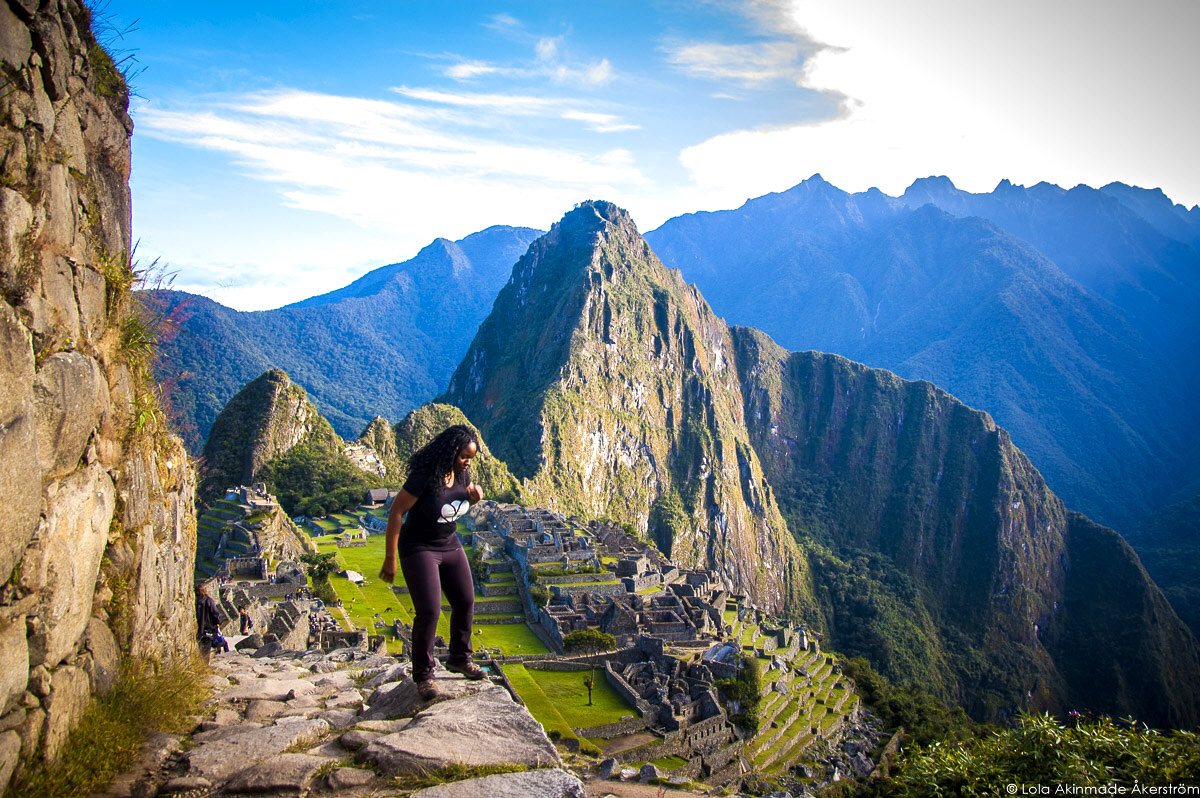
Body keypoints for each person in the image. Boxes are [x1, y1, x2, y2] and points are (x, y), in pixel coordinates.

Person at [380, 424, 485, 700]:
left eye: (471, 458)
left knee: (465, 600)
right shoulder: (425, 476)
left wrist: (473, 500)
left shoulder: (463, 474)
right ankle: (424, 676)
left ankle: (459, 658)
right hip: (419, 547)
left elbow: (453, 510)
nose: (467, 462)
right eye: (464, 456)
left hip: (449, 543)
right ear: (451, 451)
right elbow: (396, 512)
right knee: (429, 611)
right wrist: (390, 558)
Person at [195, 584, 229, 654]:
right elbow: (215, 613)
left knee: (199, 649)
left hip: (197, 630)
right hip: (208, 628)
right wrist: (217, 623)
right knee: (206, 650)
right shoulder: (209, 601)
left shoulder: (195, 601)